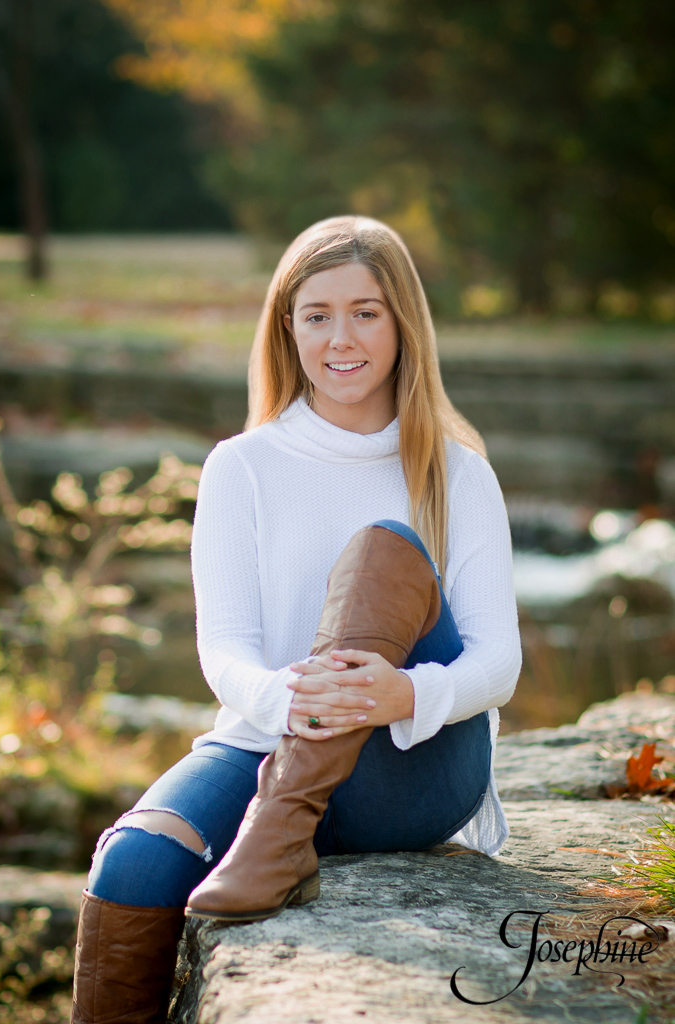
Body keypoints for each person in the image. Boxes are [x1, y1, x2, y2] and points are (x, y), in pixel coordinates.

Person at [70, 215, 522, 1023]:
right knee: (132, 863)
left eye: (365, 312)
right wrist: (301, 706)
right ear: (287, 328)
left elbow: (497, 663)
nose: (339, 337)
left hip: (415, 765)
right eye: (316, 315)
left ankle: (279, 827)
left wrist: (404, 697)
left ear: (401, 325)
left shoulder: (458, 471)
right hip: (266, 739)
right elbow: (226, 655)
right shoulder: (241, 466)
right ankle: (283, 823)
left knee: (386, 546)